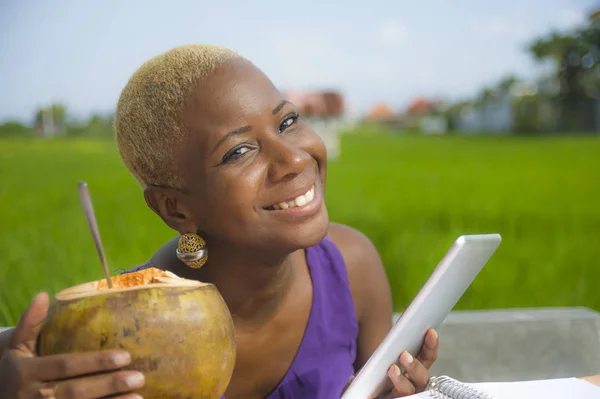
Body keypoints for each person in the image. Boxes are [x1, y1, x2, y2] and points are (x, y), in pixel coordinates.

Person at [0, 44, 440, 399]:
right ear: (173, 208)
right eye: (239, 151)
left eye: (287, 122)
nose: (294, 158)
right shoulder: (111, 336)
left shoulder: (352, 266)